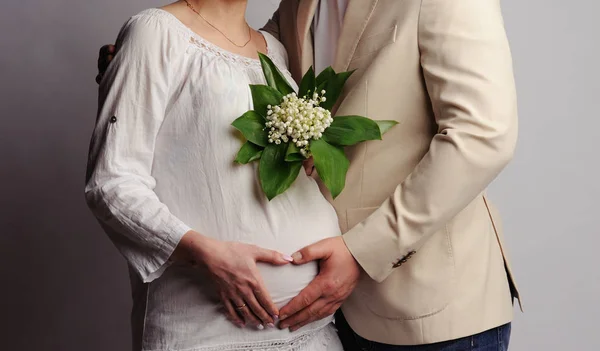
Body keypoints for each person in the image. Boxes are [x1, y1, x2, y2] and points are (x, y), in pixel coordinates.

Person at [96, 0, 522, 350]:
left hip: (429, 304)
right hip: (328, 315)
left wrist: (361, 252)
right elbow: (227, 56)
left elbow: (483, 136)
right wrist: (135, 58)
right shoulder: (296, 7)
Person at [86, 0, 347, 350]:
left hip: (313, 330)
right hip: (206, 331)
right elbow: (111, 184)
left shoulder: (276, 50)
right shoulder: (155, 32)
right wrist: (206, 253)